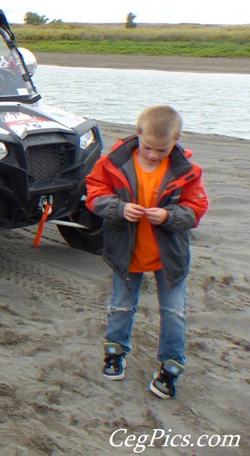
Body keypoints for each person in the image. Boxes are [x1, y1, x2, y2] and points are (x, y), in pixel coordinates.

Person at [86, 105, 209, 400]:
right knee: (121, 306)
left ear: (177, 139)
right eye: (148, 147)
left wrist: (169, 217)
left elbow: (196, 208)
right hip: (126, 252)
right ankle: (115, 353)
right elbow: (94, 195)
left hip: (170, 256)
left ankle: (170, 368)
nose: (154, 154)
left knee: (174, 313)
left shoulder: (188, 171)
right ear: (137, 133)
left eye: (162, 150)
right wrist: (118, 208)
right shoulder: (112, 162)